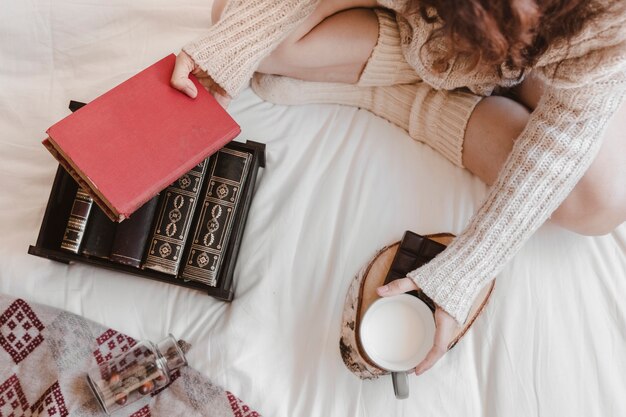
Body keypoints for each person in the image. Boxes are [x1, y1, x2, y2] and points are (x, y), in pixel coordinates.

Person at [170, 0, 626, 376]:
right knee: (234, 18)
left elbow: (563, 136)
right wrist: (230, 45)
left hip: (552, 72)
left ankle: (390, 93)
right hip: (413, 27)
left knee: (600, 204)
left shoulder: (609, 18)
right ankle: (402, 78)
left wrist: (463, 274)